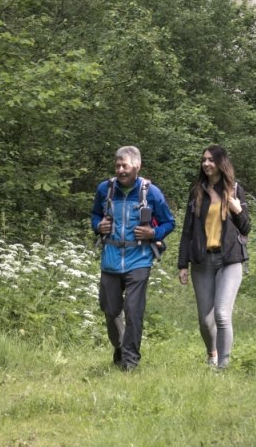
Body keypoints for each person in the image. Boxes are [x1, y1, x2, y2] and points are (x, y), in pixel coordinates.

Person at [91, 145, 175, 371]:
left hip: (139, 259)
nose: (120, 170)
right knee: (110, 310)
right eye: (117, 165)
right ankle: (119, 346)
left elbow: (169, 222)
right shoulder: (105, 189)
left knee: (133, 310)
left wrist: (153, 233)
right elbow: (95, 215)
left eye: (124, 165)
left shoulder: (151, 192)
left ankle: (130, 361)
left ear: (136, 166)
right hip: (110, 259)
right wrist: (98, 225)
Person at [175, 145, 249, 369]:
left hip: (230, 260)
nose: (206, 164)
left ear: (221, 163)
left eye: (211, 160)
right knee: (206, 321)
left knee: (222, 315)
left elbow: (245, 228)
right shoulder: (197, 191)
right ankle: (212, 354)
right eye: (204, 160)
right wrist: (183, 264)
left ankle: (223, 367)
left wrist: (237, 210)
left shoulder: (235, 190)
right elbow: (187, 230)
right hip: (202, 261)